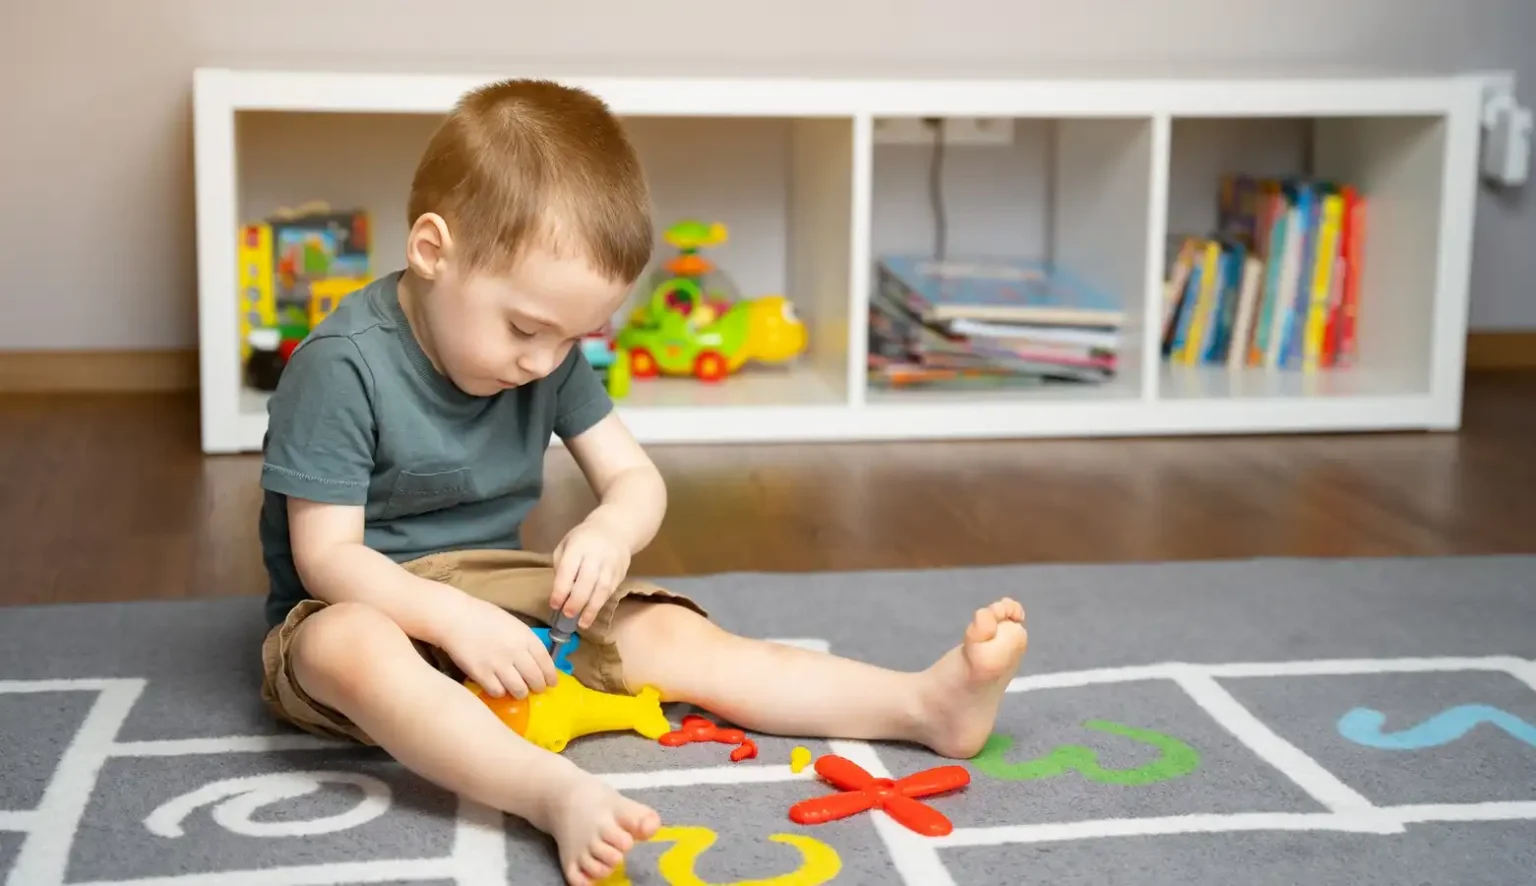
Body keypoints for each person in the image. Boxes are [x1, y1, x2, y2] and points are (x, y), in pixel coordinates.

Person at [255, 77, 1029, 886]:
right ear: (431, 250)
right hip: (355, 603)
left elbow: (634, 478)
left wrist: (610, 529)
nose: (544, 362)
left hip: (495, 596)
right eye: (523, 328)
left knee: (670, 634)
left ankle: (921, 706)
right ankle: (549, 794)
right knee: (350, 647)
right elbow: (328, 560)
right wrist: (448, 620)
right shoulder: (342, 367)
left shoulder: (545, 357)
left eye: (574, 337)